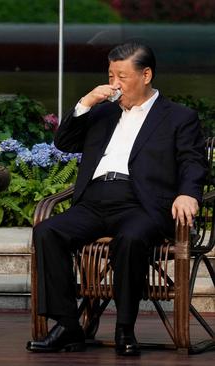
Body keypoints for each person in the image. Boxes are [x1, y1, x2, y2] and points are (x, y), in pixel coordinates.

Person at [26, 42, 207, 356]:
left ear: (146, 74)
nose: (114, 84)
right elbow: (65, 142)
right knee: (47, 231)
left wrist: (188, 194)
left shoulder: (178, 117)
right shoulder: (104, 112)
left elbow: (193, 161)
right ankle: (69, 326)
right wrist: (85, 103)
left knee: (131, 238)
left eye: (121, 76)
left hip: (142, 204)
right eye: (110, 75)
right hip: (94, 200)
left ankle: (125, 328)